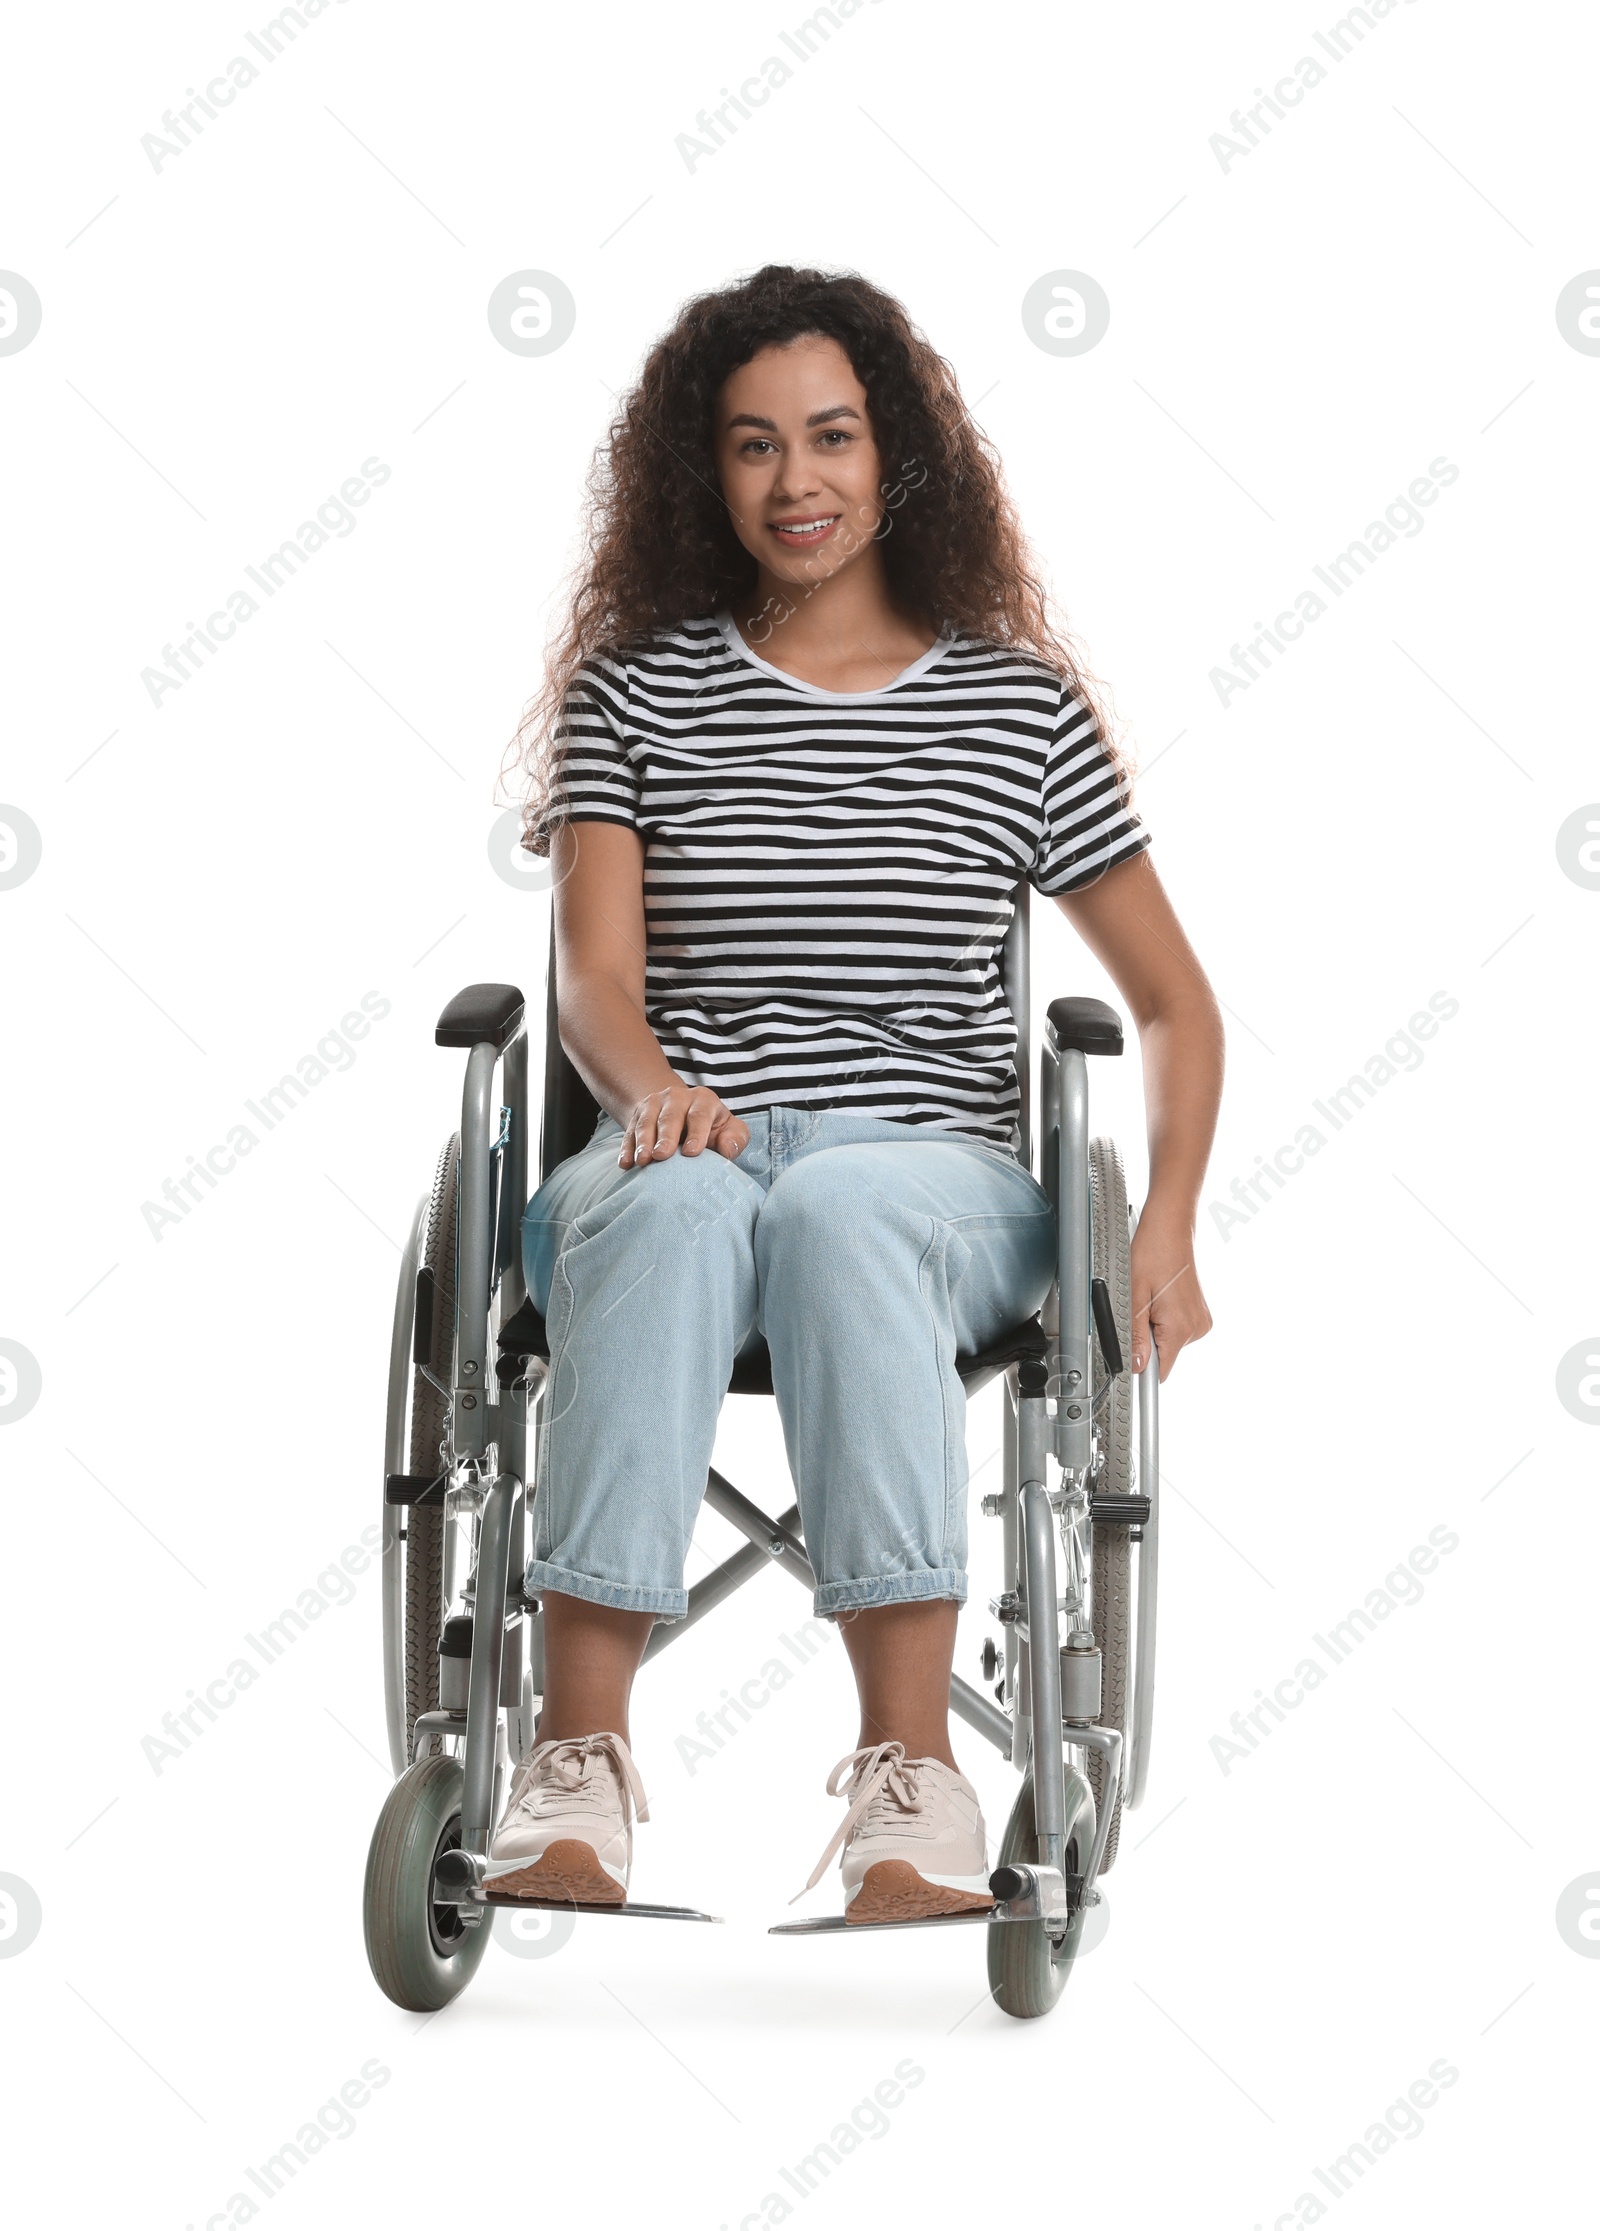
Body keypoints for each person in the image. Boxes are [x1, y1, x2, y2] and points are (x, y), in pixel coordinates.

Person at [488, 264, 1223, 1923]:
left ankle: (916, 1787)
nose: (795, 482)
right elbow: (597, 979)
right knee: (677, 1203)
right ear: (708, 473)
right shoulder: (636, 693)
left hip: (931, 1178)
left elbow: (1173, 1002)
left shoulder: (1016, 706)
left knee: (841, 1200)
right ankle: (576, 1769)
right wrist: (658, 1091)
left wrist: (1165, 1218)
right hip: (682, 1136)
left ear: (899, 457)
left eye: (830, 437)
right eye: (753, 447)